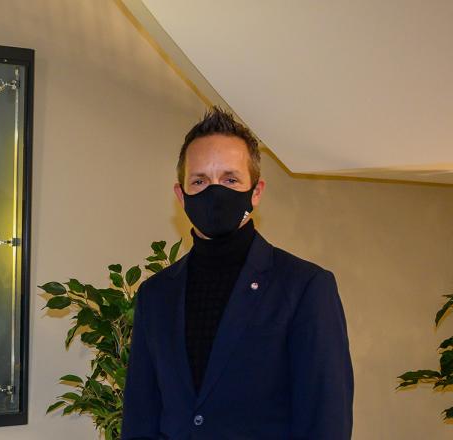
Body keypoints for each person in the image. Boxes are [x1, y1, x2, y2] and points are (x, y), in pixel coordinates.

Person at [122, 107, 352, 439]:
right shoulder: (155, 294)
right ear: (181, 196)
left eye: (230, 179)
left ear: (256, 192)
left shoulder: (305, 287)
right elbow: (140, 419)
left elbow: (325, 422)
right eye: (199, 181)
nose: (214, 193)